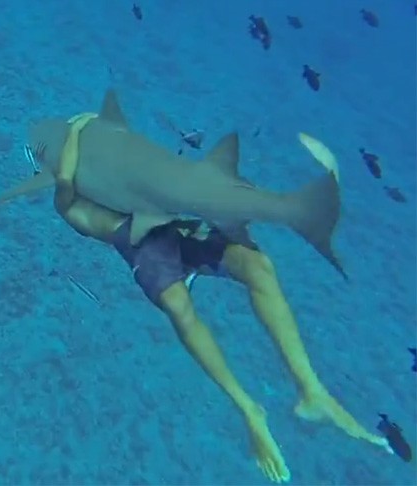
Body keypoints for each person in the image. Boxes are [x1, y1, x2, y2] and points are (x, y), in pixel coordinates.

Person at [41, 114, 390, 483]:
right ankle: (248, 408)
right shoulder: (69, 204)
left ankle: (313, 390)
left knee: (259, 267)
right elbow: (64, 181)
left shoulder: (111, 171)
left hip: (175, 225)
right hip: (140, 245)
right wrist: (76, 134)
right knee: (181, 309)